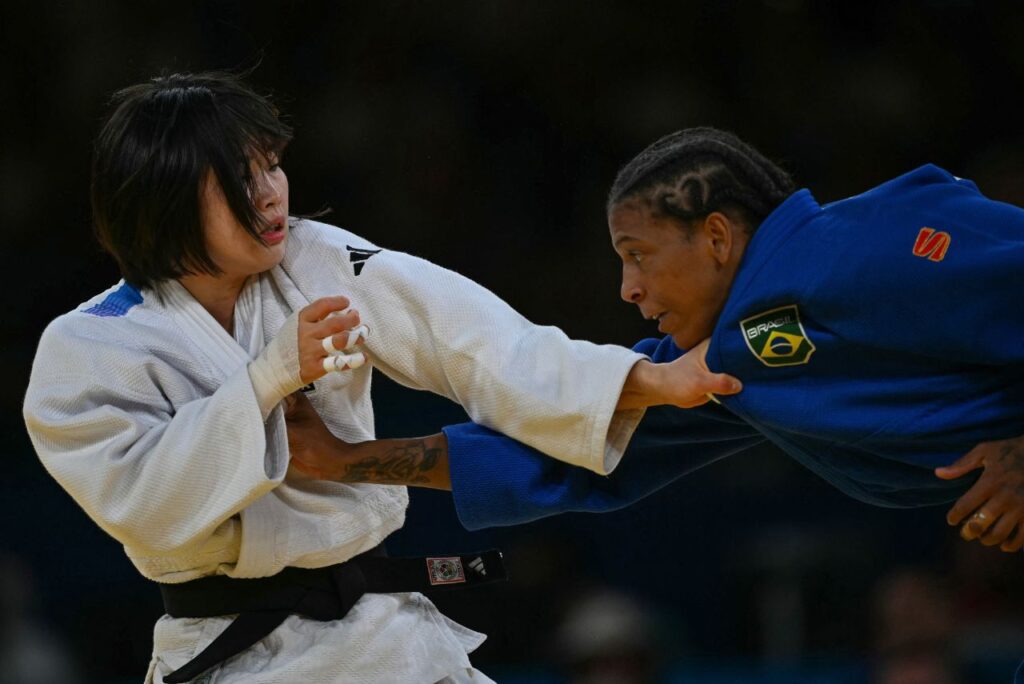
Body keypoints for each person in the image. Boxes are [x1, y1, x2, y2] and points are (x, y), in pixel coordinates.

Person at [21, 74, 737, 684]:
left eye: (272, 164)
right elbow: (145, 502)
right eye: (242, 177)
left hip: (387, 638)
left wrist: (646, 379)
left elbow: (472, 340)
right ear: (168, 199)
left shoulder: (314, 260)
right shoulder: (88, 347)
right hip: (229, 655)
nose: (272, 193)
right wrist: (271, 375)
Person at [285, 126, 1024, 552]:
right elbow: (579, 442)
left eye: (638, 254)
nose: (627, 289)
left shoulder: (865, 248)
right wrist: (347, 461)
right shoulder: (729, 365)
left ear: (715, 237)